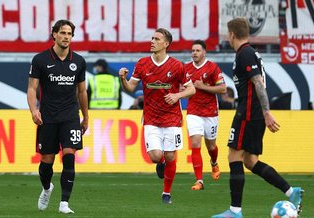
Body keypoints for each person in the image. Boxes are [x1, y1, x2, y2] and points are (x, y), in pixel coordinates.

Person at [212, 17, 303, 218]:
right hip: (254, 113)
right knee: (251, 161)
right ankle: (291, 192)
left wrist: (266, 111)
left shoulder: (245, 53)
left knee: (233, 156)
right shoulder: (249, 53)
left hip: (249, 113)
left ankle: (235, 211)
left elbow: (259, 83)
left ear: (232, 35)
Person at [119, 28, 196, 204]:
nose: (152, 41)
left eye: (156, 39)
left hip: (172, 119)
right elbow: (130, 88)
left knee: (170, 156)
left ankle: (166, 194)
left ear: (166, 44)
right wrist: (122, 79)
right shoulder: (142, 64)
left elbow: (191, 89)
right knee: (156, 156)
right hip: (151, 119)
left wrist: (177, 96)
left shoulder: (177, 66)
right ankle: (160, 164)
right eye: (152, 38)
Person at [27, 19, 89, 214]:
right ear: (54, 34)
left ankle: (64, 203)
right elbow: (32, 88)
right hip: (48, 117)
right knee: (47, 161)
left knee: (69, 155)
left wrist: (85, 117)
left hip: (70, 116)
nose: (66, 37)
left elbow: (81, 92)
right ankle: (47, 188)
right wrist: (33, 110)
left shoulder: (78, 61)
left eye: (69, 34)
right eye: (62, 33)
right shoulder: (40, 60)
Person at [184, 40, 227, 190]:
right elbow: (180, 87)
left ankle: (214, 163)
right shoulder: (186, 69)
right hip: (193, 111)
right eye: (192, 50)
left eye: (197, 50)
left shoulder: (212, 67)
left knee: (211, 146)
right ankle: (199, 181)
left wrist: (203, 87)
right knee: (195, 144)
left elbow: (223, 89)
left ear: (204, 52)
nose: (194, 53)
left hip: (210, 112)